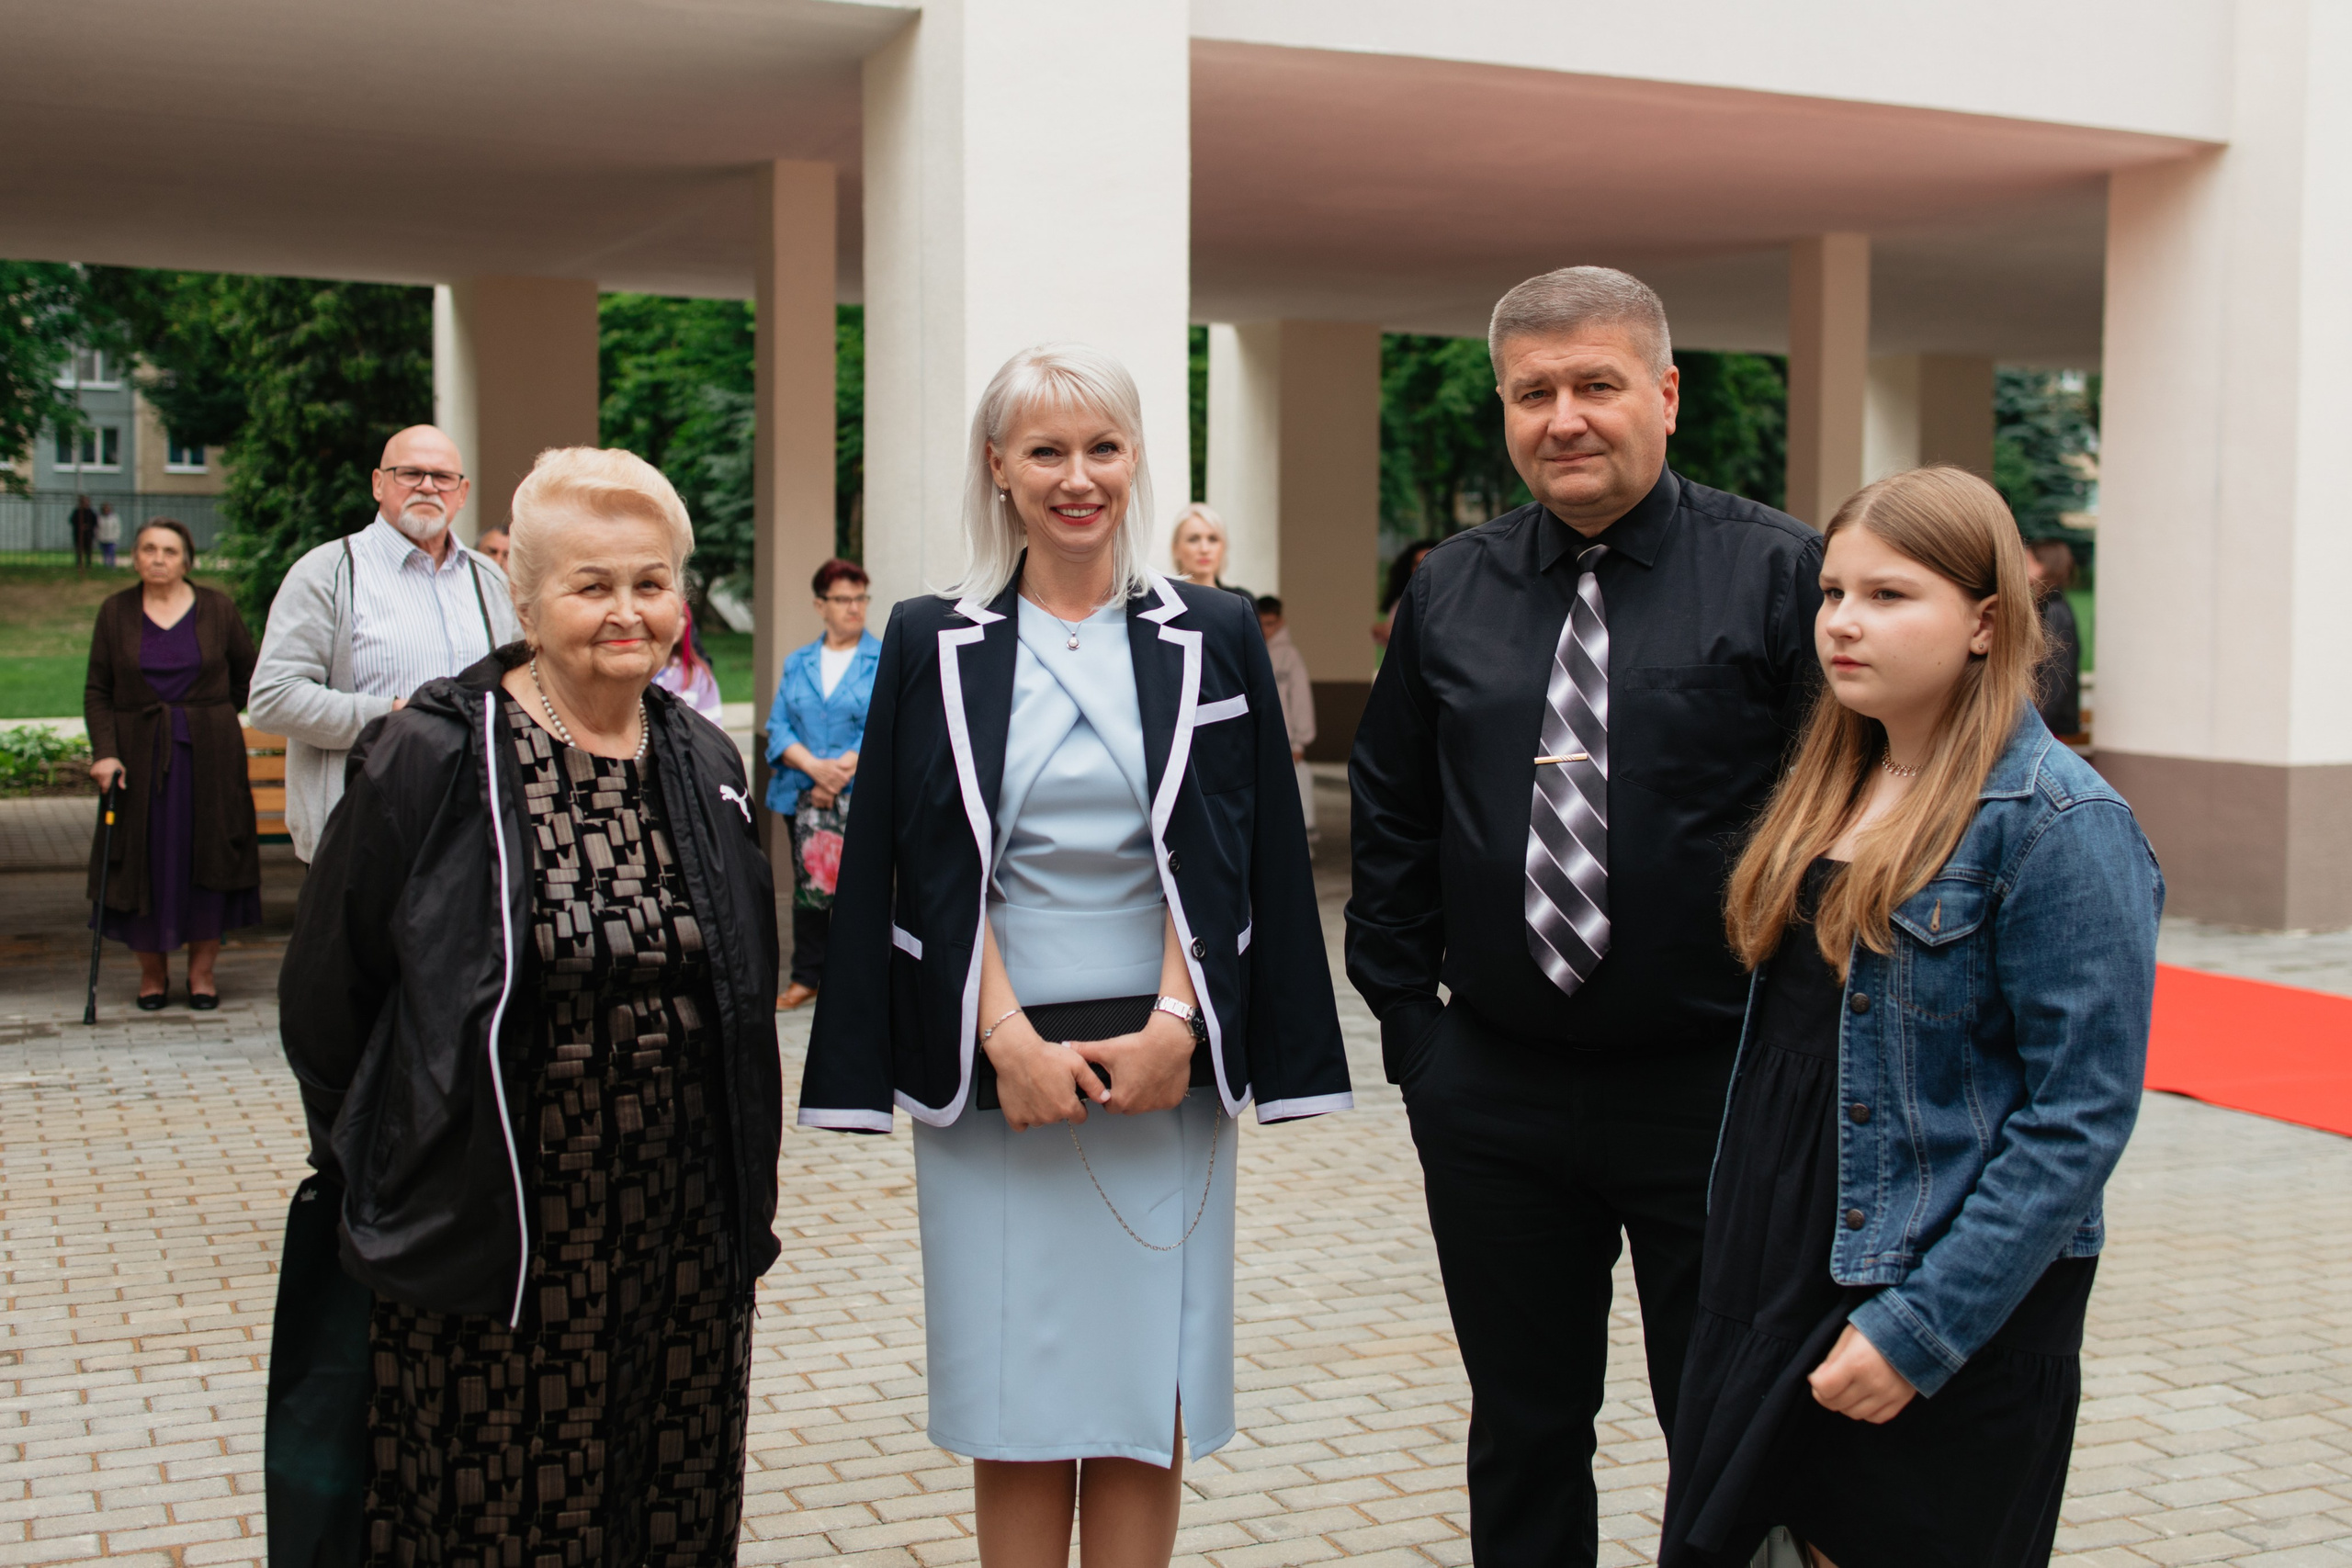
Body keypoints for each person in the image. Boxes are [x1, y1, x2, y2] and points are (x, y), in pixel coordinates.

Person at [799, 344, 1351, 1568]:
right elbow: (918, 855)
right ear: (998, 467)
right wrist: (1006, 1039)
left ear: (1136, 455)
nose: (1077, 475)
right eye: (1045, 449)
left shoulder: (1212, 630)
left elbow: (1234, 841)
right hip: (997, 1063)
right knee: (1019, 1390)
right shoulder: (930, 636)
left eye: (1101, 446)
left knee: (1141, 1392)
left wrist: (1178, 1022)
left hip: (1166, 1049)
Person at [1346, 265, 1825, 1568]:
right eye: (1533, 391)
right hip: (1494, 1094)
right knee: (1524, 1425)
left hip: (1714, 1093)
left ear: (1665, 395)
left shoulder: (1783, 576)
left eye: (1596, 384)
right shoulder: (1451, 589)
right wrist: (1412, 1031)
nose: (1565, 416)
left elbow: (1836, 828)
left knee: (1727, 1428)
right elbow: (1391, 807)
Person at [278, 446, 782, 1564]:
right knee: (497, 1519)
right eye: (590, 585)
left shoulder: (701, 758)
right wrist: (387, 1174)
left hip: (683, 1241)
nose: (626, 612)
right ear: (523, 597)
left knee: (668, 1502)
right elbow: (328, 997)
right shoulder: (434, 756)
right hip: (493, 1242)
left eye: (650, 584)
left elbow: (746, 982)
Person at [1659, 468, 2162, 1568]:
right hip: (1775, 1271)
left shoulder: (2057, 823)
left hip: (1928, 1294)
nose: (1841, 623)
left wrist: (1918, 1331)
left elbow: (2076, 1120)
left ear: (1986, 621)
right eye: (1833, 592)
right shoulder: (1836, 777)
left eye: (1889, 597)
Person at [248, 425, 521, 862]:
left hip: (468, 837)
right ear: (378, 483)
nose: (428, 486)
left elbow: (521, 691)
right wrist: (394, 716)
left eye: (442, 477)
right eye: (410, 473)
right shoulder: (327, 573)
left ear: (462, 492)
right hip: (361, 840)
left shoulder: (489, 579)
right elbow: (272, 698)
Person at [84, 517, 261, 1010]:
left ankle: (202, 975)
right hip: (137, 758)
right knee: (143, 859)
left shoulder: (217, 609)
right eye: (148, 549)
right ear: (135, 557)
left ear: (187, 559)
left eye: (169, 550)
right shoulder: (115, 612)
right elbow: (98, 690)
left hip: (209, 756)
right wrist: (105, 752)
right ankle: (152, 975)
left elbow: (249, 676)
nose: (158, 558)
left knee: (209, 855)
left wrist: (209, 716)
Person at [763, 558, 881, 1010]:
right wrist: (816, 769)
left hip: (861, 795)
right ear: (820, 605)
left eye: (860, 598)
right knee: (809, 888)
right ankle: (805, 977)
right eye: (843, 599)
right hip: (802, 793)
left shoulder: (882, 657)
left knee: (860, 891)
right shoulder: (799, 662)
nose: (854, 608)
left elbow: (881, 723)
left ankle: (857, 982)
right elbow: (780, 727)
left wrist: (839, 773)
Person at [1254, 594, 1318, 838]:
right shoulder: (1253, 649)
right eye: (1262, 623)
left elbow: (1301, 699)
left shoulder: (1289, 655)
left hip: (1288, 739)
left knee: (1295, 786)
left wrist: (1301, 739)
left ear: (1280, 622)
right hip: (1262, 736)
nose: (1266, 630)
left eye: (1270, 623)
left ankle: (1302, 837)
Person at [2026, 538, 2081, 738]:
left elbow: (2055, 673)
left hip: (2048, 726)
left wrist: (2034, 724)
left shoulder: (2055, 610)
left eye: (2027, 561)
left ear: (2043, 567)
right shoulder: (2044, 607)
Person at [651, 600, 725, 721]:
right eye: (667, 614)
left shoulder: (698, 675)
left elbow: (710, 733)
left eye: (680, 615)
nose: (674, 623)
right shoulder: (626, 672)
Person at [1168, 502, 1254, 603]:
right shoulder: (1165, 600)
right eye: (1193, 539)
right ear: (1175, 548)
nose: (1204, 549)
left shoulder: (1241, 602)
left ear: (1224, 546)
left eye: (1213, 539)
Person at [1369, 538, 1435, 649]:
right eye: (1417, 563)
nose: (1421, 569)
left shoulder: (1448, 602)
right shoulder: (1402, 601)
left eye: (1427, 563)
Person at [70, 493, 99, 574]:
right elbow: (72, 521)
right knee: (79, 551)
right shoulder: (77, 511)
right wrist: (80, 526)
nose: (85, 503)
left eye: (87, 502)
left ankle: (88, 565)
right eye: (83, 502)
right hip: (79, 535)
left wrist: (88, 526)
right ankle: (79, 564)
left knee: (88, 551)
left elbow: (95, 522)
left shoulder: (91, 512)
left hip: (88, 535)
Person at [95, 502, 122, 568]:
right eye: (105, 509)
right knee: (105, 553)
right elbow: (97, 528)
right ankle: (106, 566)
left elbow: (117, 528)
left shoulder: (114, 517)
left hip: (112, 539)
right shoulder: (99, 517)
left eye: (107, 508)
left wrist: (116, 536)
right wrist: (98, 536)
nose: (106, 510)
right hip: (102, 538)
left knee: (111, 553)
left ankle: (112, 565)